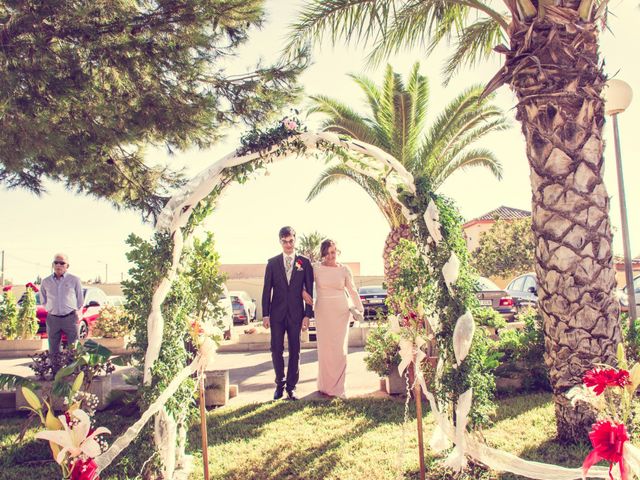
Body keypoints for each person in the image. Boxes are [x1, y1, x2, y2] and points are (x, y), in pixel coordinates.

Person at [261, 226, 314, 400]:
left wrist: (307, 315)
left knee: (295, 350)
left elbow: (309, 291)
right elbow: (266, 290)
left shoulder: (304, 263)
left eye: (291, 241)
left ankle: (291, 387)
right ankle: (279, 384)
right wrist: (266, 314)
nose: (288, 244)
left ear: (295, 240)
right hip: (276, 314)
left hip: (296, 314)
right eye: (284, 241)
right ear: (280, 242)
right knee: (276, 349)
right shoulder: (272, 263)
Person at [307, 239, 363, 398]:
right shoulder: (316, 269)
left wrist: (360, 309)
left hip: (341, 311)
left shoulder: (344, 269)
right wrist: (304, 293)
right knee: (325, 349)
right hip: (323, 311)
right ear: (323, 253)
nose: (331, 256)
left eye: (333, 252)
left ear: (337, 252)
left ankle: (338, 388)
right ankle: (324, 386)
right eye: (328, 253)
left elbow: (352, 290)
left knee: (339, 350)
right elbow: (304, 284)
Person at [39, 253, 84, 369]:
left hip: (70, 318)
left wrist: (77, 313)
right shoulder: (45, 281)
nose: (59, 265)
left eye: (62, 263)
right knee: (53, 349)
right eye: (56, 262)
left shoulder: (74, 280)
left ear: (67, 266)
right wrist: (50, 309)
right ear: (53, 265)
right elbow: (43, 299)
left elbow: (80, 300)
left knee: (73, 348)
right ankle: (56, 373)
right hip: (53, 319)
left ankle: (73, 372)